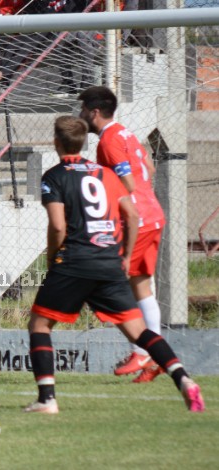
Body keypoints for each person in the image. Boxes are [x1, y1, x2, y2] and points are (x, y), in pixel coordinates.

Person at [25, 116, 204, 414]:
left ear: (56, 142)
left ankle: (47, 399)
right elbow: (132, 215)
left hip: (74, 260)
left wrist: (52, 259)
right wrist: (124, 255)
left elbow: (58, 226)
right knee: (139, 332)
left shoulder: (54, 176)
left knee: (40, 325)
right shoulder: (106, 174)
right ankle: (183, 379)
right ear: (83, 142)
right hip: (109, 260)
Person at [78, 86, 167, 383]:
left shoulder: (109, 141)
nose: (80, 115)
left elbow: (127, 183)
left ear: (94, 112)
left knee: (109, 286)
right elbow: (149, 170)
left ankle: (140, 351)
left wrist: (104, 198)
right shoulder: (127, 134)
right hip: (153, 215)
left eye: (82, 110)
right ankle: (154, 358)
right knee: (141, 288)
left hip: (136, 222)